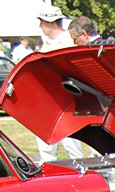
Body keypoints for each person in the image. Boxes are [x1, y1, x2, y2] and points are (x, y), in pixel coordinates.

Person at [36, 4, 84, 161]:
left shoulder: (69, 42)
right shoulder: (47, 45)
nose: (40, 26)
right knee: (45, 145)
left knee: (72, 144)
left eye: (42, 22)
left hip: (67, 99)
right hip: (49, 99)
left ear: (50, 22)